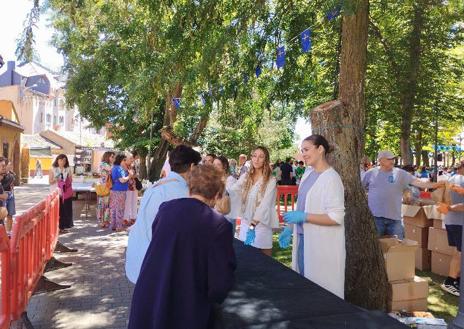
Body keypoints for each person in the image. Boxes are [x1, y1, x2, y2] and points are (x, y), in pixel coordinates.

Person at [127, 165, 236, 329]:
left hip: (150, 294)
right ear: (217, 195)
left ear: (190, 188)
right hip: (184, 304)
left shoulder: (166, 209)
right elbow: (219, 282)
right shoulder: (219, 225)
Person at [279, 135, 345, 299]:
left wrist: (304, 216)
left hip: (321, 246)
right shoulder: (308, 174)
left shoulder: (332, 179)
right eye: (302, 151)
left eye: (306, 150)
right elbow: (301, 206)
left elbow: (336, 217)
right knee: (304, 290)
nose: (303, 154)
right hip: (303, 239)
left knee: (321, 294)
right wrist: (289, 227)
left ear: (320, 149)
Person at [125, 145, 202, 283]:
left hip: (139, 257)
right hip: (156, 266)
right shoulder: (183, 193)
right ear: (192, 167)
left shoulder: (157, 186)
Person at [362, 150, 444, 239]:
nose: (392, 161)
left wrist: (435, 185)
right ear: (381, 160)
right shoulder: (370, 173)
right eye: (389, 159)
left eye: (393, 159)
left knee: (399, 248)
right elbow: (359, 187)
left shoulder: (400, 173)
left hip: (395, 219)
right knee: (375, 248)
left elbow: (417, 181)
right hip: (375, 218)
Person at [231, 146, 278, 256]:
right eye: (254, 156)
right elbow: (233, 191)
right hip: (245, 223)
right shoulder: (246, 176)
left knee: (264, 263)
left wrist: (252, 227)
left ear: (265, 160)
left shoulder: (271, 180)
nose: (257, 159)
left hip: (261, 225)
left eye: (261, 157)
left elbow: (265, 205)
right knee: (246, 261)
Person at [440, 162, 464, 296]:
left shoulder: (450, 179)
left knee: (457, 251)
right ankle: (450, 281)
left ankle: (456, 280)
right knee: (460, 253)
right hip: (459, 222)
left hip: (451, 220)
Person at [213, 156, 239, 232]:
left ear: (224, 166)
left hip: (228, 215)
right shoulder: (214, 179)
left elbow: (229, 196)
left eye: (218, 164)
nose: (215, 166)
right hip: (216, 214)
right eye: (214, 164)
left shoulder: (230, 179)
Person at [49, 154, 74, 233]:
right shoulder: (53, 169)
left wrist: (68, 179)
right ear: (57, 160)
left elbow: (70, 180)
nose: (62, 162)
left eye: (64, 160)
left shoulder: (68, 169)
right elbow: (50, 182)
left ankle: (64, 227)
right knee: (57, 210)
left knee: (66, 210)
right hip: (56, 193)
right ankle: (56, 227)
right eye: (60, 160)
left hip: (66, 193)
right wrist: (57, 178)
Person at [110, 154, 134, 232]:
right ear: (122, 160)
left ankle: (113, 225)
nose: (126, 162)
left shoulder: (114, 168)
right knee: (119, 208)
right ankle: (119, 227)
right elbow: (122, 180)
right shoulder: (119, 168)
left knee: (114, 208)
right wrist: (130, 176)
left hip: (114, 190)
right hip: (120, 191)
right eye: (125, 160)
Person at [97, 151, 114, 228]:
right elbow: (111, 170)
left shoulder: (105, 164)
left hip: (105, 186)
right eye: (112, 157)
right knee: (102, 205)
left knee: (106, 205)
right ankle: (102, 221)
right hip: (104, 187)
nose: (113, 158)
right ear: (107, 157)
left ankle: (105, 221)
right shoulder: (104, 164)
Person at [123, 153, 138, 226]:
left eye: (132, 158)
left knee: (134, 202)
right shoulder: (123, 166)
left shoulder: (131, 166)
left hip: (133, 186)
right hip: (127, 187)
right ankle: (126, 219)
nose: (132, 160)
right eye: (130, 158)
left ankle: (133, 217)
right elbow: (124, 176)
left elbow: (134, 175)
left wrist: (133, 175)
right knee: (127, 203)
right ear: (125, 159)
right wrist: (131, 175)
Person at [2, 160, 16, 231]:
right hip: (3, 195)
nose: (10, 166)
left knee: (10, 214)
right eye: (9, 165)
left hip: (10, 195)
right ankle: (3, 232)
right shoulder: (2, 175)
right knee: (3, 215)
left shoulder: (12, 174)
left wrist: (12, 192)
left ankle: (9, 232)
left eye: (11, 165)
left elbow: (12, 185)